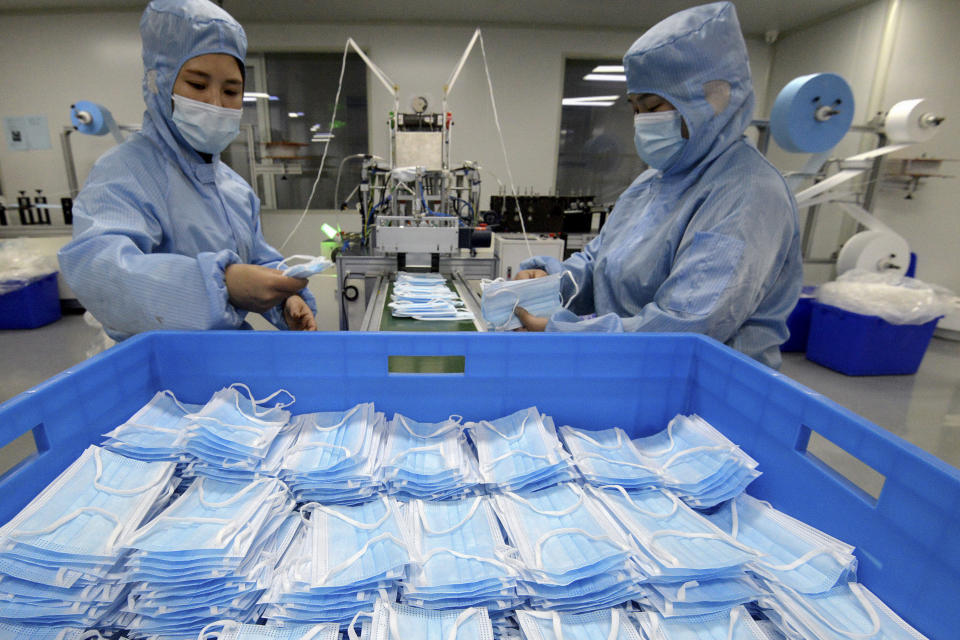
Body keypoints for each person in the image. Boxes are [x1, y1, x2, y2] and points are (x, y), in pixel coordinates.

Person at [513, 1, 801, 369]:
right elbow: (599, 262)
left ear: (712, 98)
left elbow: (686, 326)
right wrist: (553, 284)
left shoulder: (748, 194)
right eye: (634, 109)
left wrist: (566, 334)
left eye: (652, 108)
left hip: (708, 397)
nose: (641, 123)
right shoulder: (652, 182)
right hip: (629, 376)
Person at [58, 0, 317, 341]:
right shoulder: (125, 172)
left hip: (227, 361)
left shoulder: (233, 188)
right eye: (197, 85)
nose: (215, 103)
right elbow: (99, 271)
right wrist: (220, 284)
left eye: (231, 91)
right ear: (158, 82)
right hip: (159, 367)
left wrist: (287, 298)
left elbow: (258, 259)